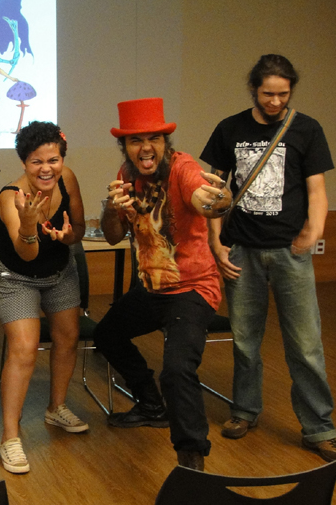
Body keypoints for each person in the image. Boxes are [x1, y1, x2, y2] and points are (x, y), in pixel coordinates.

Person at [200, 54, 336, 462]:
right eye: (268, 94)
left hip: (289, 252)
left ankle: (319, 429)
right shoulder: (230, 128)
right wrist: (216, 242)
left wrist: (315, 229)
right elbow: (213, 192)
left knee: (306, 345)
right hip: (241, 249)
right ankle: (244, 411)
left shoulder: (306, 129)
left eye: (283, 94)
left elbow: (316, 190)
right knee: (245, 341)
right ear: (254, 90)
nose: (276, 101)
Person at [94, 97, 232, 471]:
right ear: (125, 146)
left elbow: (204, 199)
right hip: (153, 288)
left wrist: (219, 200)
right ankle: (152, 406)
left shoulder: (182, 168)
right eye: (136, 140)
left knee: (177, 370)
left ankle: (191, 462)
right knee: (107, 335)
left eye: (153, 138)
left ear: (165, 142)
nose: (146, 148)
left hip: (192, 289)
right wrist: (112, 208)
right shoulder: (126, 175)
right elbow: (111, 235)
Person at [0, 121, 87, 474]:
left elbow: (79, 231)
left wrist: (67, 237)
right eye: (36, 161)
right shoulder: (10, 198)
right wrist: (29, 225)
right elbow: (26, 254)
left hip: (59, 271)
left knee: (68, 337)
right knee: (24, 348)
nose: (47, 168)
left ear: (62, 159)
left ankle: (56, 408)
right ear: (24, 162)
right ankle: (10, 437)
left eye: (53, 160)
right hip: (15, 276)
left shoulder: (67, 179)